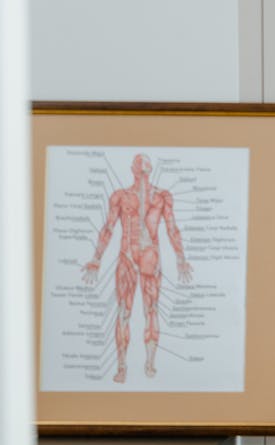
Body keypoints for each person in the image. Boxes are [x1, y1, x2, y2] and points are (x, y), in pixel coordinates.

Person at [81, 152, 193, 383]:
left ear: (149, 171)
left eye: (146, 169)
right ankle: (122, 366)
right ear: (133, 170)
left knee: (150, 310)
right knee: (124, 312)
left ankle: (150, 362)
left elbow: (172, 228)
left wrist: (181, 257)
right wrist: (96, 258)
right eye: (140, 169)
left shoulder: (161, 197)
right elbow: (108, 228)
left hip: (150, 256)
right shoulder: (121, 197)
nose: (143, 173)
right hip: (127, 258)